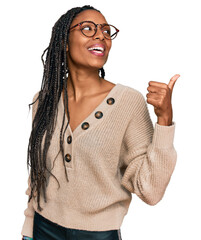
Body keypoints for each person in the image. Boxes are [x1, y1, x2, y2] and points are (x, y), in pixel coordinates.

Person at [21, 4, 179, 240]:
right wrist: (28, 228)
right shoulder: (43, 101)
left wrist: (165, 120)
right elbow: (38, 176)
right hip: (43, 229)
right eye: (87, 28)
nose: (100, 36)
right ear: (64, 41)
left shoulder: (128, 102)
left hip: (98, 235)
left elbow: (151, 191)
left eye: (106, 31)